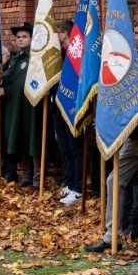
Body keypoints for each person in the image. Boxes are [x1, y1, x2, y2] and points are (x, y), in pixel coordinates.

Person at [84, 18, 138, 257]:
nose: (134, 37)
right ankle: (111, 237)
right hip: (131, 135)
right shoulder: (134, 60)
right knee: (113, 181)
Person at [0, 23, 41, 188]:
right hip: (16, 107)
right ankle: (27, 176)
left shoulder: (34, 58)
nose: (20, 39)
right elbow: (10, 77)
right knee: (22, 139)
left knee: (33, 140)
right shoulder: (15, 59)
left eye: (24, 37)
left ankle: (37, 178)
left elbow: (23, 83)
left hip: (30, 106)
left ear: (31, 39)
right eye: (18, 37)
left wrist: (6, 90)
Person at [54, 20, 84, 205]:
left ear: (64, 34)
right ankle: (70, 181)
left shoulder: (77, 55)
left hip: (74, 107)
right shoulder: (60, 55)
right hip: (59, 106)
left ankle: (78, 188)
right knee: (65, 149)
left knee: (75, 149)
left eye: (58, 32)